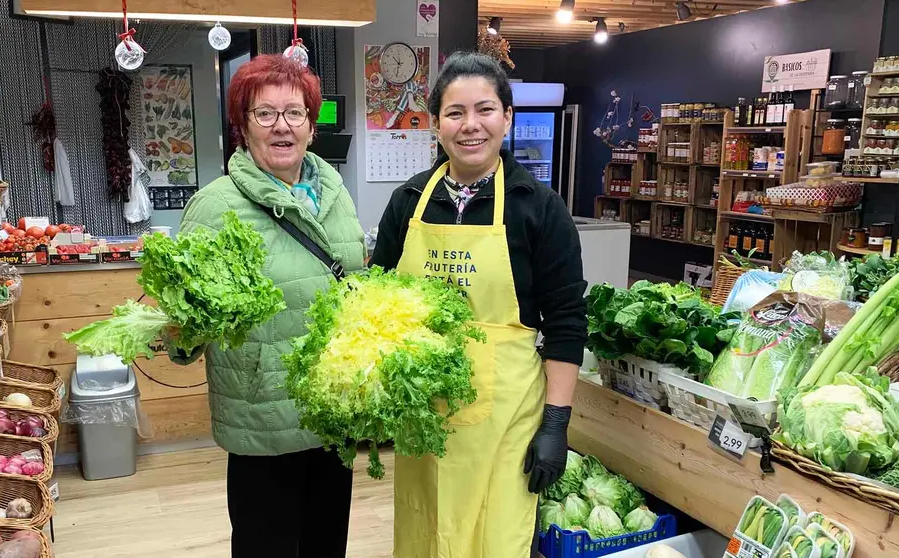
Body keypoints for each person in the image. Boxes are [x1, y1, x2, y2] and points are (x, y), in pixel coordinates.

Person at [370, 51, 587, 558]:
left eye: (485, 110)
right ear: (436, 123)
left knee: (496, 534)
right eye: (455, 112)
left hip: (507, 413)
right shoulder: (409, 200)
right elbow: (377, 301)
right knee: (427, 526)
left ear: (507, 118)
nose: (471, 126)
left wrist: (557, 423)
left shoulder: (539, 207)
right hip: (422, 409)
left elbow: (566, 321)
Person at [171, 54, 366, 557]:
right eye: (265, 114)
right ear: (243, 125)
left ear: (311, 124)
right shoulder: (214, 207)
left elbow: (355, 281)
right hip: (263, 418)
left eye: (296, 113)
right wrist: (179, 327)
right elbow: (186, 321)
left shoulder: (335, 193)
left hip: (333, 410)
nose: (283, 126)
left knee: (327, 546)